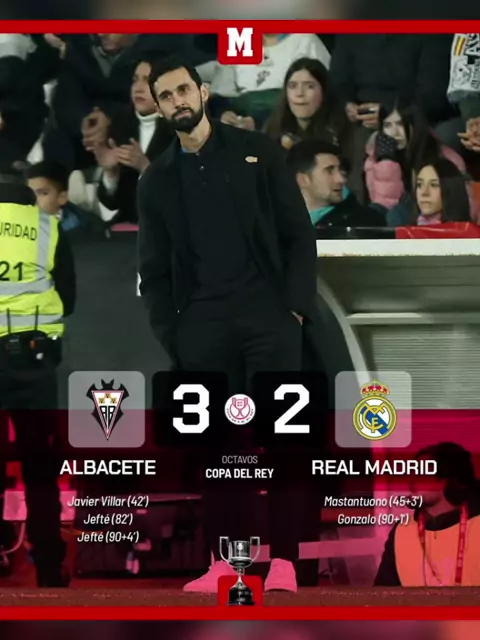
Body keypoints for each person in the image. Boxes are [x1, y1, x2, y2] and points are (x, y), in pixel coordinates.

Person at [137, 55, 318, 593]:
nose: (177, 102)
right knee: (219, 452)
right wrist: (175, 335)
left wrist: (294, 309)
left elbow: (297, 235)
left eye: (182, 90)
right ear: (158, 108)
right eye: (166, 96)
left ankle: (284, 562)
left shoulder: (257, 152)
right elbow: (153, 271)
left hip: (268, 318)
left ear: (202, 92)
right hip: (203, 328)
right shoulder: (156, 180)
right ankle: (224, 565)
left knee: (283, 443)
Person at [0, 161, 76, 587]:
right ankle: (48, 566)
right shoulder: (47, 229)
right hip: (32, 359)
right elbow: (69, 300)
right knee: (40, 466)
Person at [375, 442, 480, 586]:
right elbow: (381, 594)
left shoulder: (477, 525)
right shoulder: (402, 530)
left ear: (447, 479)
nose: (412, 481)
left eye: (422, 473)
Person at [94, 56, 174, 224]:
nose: (138, 88)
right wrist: (110, 174)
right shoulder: (121, 123)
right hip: (129, 226)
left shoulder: (182, 130)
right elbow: (111, 204)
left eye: (147, 80)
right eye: (135, 80)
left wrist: (145, 167)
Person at [207, 34, 331, 130]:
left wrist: (258, 122)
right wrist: (225, 114)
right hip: (238, 131)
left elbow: (312, 100)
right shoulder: (239, 41)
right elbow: (219, 94)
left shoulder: (305, 41)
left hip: (285, 131)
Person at [365, 104, 469, 211]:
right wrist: (387, 163)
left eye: (400, 124)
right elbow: (384, 206)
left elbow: (460, 207)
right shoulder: (375, 160)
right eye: (387, 125)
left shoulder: (447, 158)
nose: (394, 133)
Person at [287, 140, 385, 228]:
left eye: (340, 170)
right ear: (303, 180)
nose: (341, 179)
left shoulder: (366, 223)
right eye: (329, 171)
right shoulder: (281, 224)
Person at [265, 57, 352, 157]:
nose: (299, 93)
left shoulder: (344, 131)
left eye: (309, 86)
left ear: (324, 91)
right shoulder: (274, 128)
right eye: (293, 86)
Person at [386, 158, 472, 226]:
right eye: (419, 185)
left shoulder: (469, 235)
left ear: (451, 188)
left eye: (434, 185)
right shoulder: (407, 232)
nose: (424, 193)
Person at [26, 160, 104, 234]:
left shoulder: (82, 227)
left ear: (62, 198)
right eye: (29, 192)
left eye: (43, 193)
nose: (33, 199)